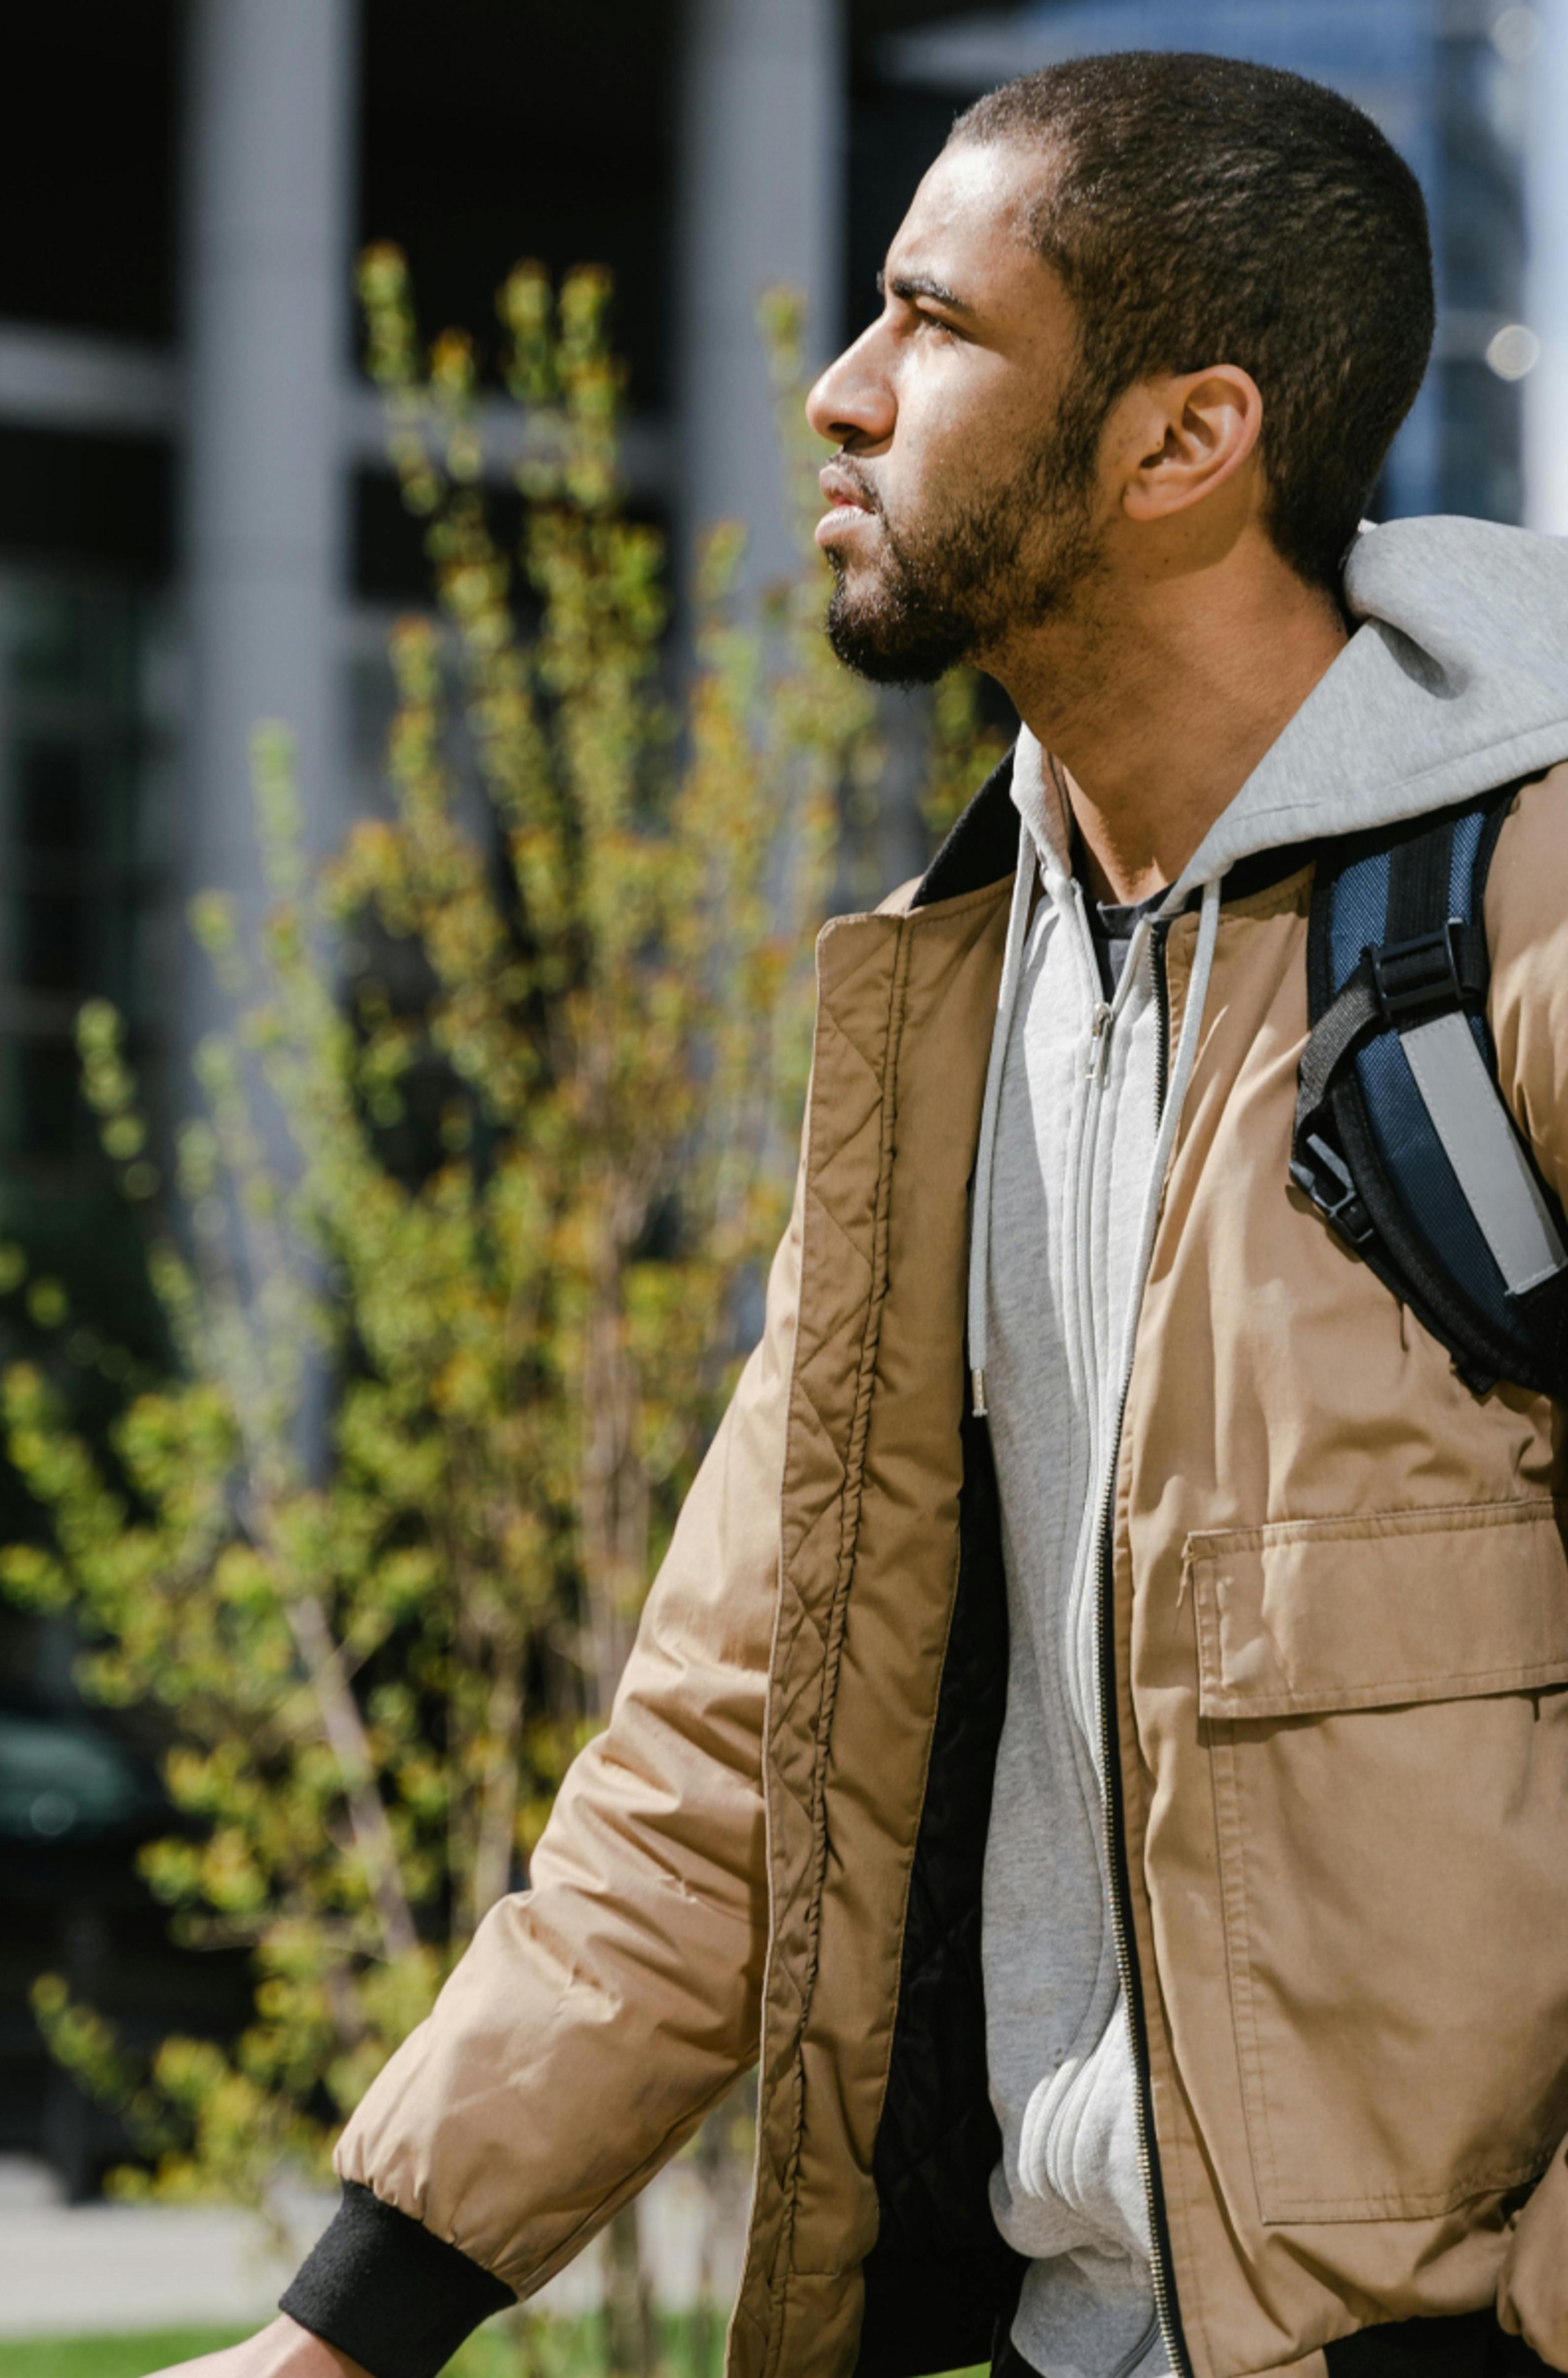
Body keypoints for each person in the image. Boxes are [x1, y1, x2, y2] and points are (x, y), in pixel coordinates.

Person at [158, 51, 1568, 2378]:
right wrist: (348, 2332)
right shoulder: (957, 998)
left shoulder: (1512, 909)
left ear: (1182, 440)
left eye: (936, 325)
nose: (839, 393)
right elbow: (738, 1741)